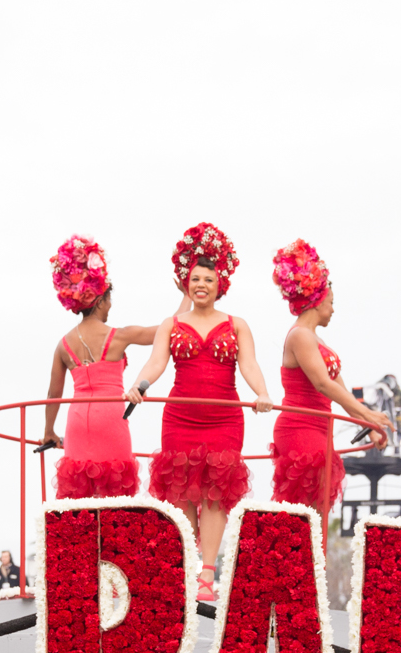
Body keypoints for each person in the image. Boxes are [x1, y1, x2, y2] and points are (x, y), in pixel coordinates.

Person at [126, 223, 274, 599]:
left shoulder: (237, 324)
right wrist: (139, 387)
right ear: (186, 283)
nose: (201, 285)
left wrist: (262, 393)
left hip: (224, 418)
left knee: (213, 492)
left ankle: (208, 574)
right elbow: (156, 363)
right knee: (180, 490)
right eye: (195, 279)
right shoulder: (171, 324)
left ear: (219, 283)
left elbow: (250, 366)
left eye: (208, 279)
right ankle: (188, 564)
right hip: (180, 418)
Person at [267, 240, 391, 530]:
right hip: (300, 427)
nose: (333, 310)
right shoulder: (300, 336)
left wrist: (368, 424)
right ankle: (298, 571)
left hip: (322, 429)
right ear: (317, 300)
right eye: (331, 302)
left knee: (317, 514)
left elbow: (341, 392)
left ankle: (313, 572)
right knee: (302, 514)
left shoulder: (317, 340)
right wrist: (370, 417)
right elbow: (323, 384)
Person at [39, 235, 150, 500]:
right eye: (109, 300)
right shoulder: (120, 336)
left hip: (76, 424)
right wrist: (185, 301)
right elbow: (164, 332)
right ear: (100, 300)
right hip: (111, 418)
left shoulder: (62, 345)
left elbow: (54, 395)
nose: (111, 306)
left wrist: (48, 432)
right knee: (115, 503)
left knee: (80, 507)